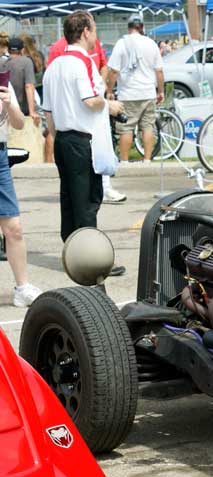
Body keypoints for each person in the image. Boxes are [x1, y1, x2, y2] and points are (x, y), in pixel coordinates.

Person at [42, 10, 127, 277]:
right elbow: (90, 100)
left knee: (69, 198)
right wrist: (109, 105)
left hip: (63, 139)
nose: (96, 35)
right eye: (94, 29)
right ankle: (92, 261)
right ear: (85, 32)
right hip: (82, 140)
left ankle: (73, 250)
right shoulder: (82, 63)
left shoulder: (54, 65)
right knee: (88, 201)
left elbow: (49, 113)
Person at [0, 71, 41, 306]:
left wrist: (8, 103)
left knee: (13, 227)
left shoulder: (4, 84)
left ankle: (22, 287)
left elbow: (17, 123)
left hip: (0, 155)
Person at [107, 15, 164, 166]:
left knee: (126, 128)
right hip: (148, 92)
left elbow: (113, 71)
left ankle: (124, 161)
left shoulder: (121, 43)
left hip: (128, 93)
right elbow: (159, 71)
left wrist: (109, 90)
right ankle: (147, 160)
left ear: (129, 27)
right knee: (148, 126)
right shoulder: (151, 43)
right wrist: (161, 91)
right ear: (142, 27)